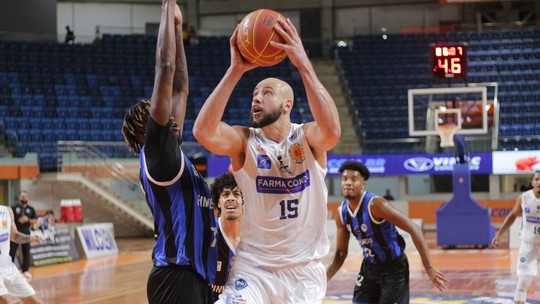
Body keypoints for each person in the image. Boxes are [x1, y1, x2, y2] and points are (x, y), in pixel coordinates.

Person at [193, 16, 341, 303]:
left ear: (288, 105)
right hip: (255, 268)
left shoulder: (307, 138)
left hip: (304, 272)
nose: (256, 98)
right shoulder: (245, 141)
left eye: (267, 93)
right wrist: (235, 70)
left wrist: (303, 65)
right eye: (255, 93)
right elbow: (203, 131)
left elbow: (332, 131)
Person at [120, 2, 216, 303]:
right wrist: (166, 11)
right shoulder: (157, 153)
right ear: (143, 131)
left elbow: (180, 90)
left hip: (198, 273)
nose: (171, 118)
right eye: (159, 117)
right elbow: (166, 69)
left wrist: (178, 27)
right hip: (175, 275)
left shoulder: (171, 150)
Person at [326, 160, 447, 303]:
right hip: (369, 268)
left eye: (354, 179)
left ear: (363, 184)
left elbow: (414, 228)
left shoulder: (377, 205)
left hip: (393, 269)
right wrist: (324, 278)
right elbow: (341, 253)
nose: (348, 183)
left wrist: (429, 267)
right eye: (345, 179)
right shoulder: (342, 213)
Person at [492, 171, 540, 304]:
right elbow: (512, 215)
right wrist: (499, 234)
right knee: (523, 282)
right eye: (536, 179)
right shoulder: (524, 198)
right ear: (532, 182)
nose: (539, 182)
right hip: (528, 245)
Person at [210, 173, 243, 302]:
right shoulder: (207, 233)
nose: (231, 198)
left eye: (236, 194)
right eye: (225, 194)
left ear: (244, 201)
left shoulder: (254, 238)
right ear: (218, 202)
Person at [0, 205, 43, 304]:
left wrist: (30, 238)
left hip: (7, 266)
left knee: (36, 302)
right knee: (6, 301)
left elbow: (14, 235)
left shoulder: (7, 211)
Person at [10, 191, 38, 280]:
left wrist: (27, 220)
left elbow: (35, 220)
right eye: (22, 196)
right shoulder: (14, 208)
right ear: (19, 197)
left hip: (26, 231)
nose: (23, 198)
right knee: (12, 251)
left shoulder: (31, 209)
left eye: (25, 196)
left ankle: (25, 270)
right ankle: (10, 270)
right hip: (15, 232)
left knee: (26, 251)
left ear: (28, 198)